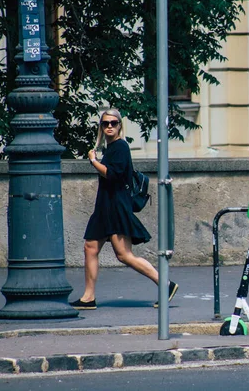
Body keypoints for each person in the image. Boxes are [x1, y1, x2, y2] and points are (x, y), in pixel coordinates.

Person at [69, 108, 178, 310]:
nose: (109, 126)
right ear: (101, 127)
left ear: (120, 126)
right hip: (105, 206)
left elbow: (113, 175)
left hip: (115, 207)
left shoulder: (120, 147)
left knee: (124, 255)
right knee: (90, 247)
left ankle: (166, 284)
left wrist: (93, 161)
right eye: (105, 123)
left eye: (113, 123)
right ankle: (88, 297)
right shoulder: (110, 148)